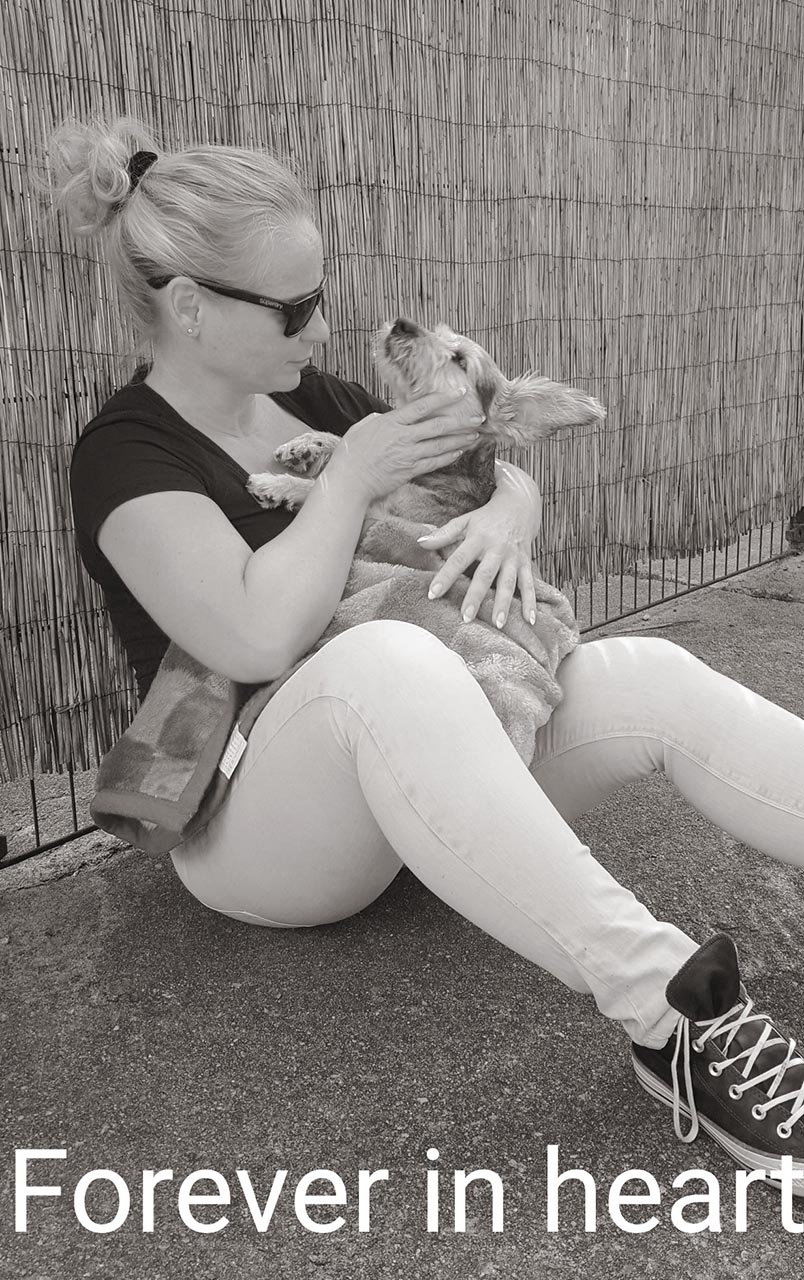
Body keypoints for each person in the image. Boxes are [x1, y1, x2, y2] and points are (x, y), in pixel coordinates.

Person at [48, 116, 804, 1187]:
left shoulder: (313, 398)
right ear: (190, 307)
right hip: (257, 824)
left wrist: (512, 513)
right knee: (388, 661)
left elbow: (478, 450)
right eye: (294, 309)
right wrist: (352, 476)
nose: (323, 329)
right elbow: (255, 632)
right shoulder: (126, 456)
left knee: (648, 676)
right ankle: (675, 1015)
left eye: (320, 294)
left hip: (420, 783)